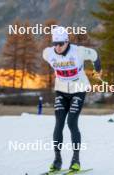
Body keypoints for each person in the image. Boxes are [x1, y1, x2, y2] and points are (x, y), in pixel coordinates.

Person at [42, 26, 102, 173]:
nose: (58, 47)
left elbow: (94, 55)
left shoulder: (79, 51)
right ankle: (57, 160)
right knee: (59, 123)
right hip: (61, 91)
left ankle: (76, 160)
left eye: (60, 43)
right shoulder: (48, 53)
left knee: (71, 122)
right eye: (55, 43)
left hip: (78, 90)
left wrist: (98, 70)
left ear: (67, 42)